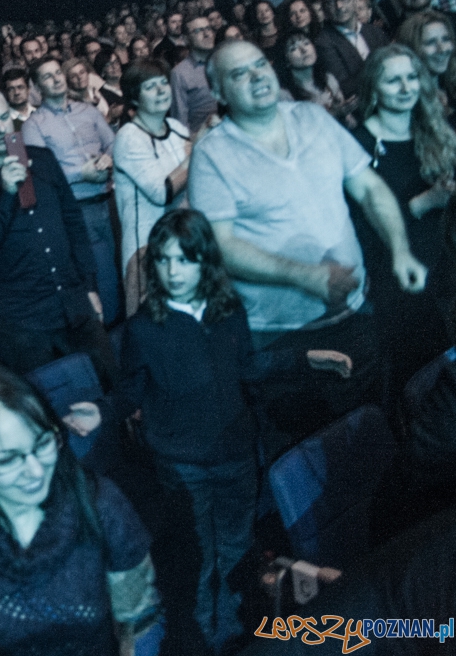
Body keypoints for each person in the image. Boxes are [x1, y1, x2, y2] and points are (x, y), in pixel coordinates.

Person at [114, 210, 350, 653]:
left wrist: (307, 358)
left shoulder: (227, 309)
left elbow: (249, 367)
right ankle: (206, 639)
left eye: (184, 260)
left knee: (239, 552)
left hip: (236, 453)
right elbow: (129, 394)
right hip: (183, 466)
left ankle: (244, 634)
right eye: (163, 261)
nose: (172, 271)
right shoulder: (144, 328)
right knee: (199, 560)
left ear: (205, 261)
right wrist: (100, 413)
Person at [188, 40, 427, 454]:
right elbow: (221, 247)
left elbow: (369, 189)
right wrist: (306, 277)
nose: (257, 75)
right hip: (284, 341)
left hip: (355, 311)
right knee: (317, 455)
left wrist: (400, 248)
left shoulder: (312, 118)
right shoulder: (212, 155)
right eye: (239, 74)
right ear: (220, 93)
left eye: (260, 64)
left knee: (379, 431)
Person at [0, 364, 163, 656]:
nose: (36, 471)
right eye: (8, 460)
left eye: (43, 444)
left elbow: (140, 618)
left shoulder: (100, 505)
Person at [0, 86, 117, 380]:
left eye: (4, 118)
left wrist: (89, 286)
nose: (1, 128)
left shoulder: (41, 158)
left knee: (106, 384)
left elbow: (73, 224)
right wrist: (5, 194)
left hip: (72, 300)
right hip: (22, 319)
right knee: (47, 404)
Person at [351, 44, 455, 392]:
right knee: (420, 384)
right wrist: (423, 203)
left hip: (443, 268)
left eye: (412, 77)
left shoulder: (433, 129)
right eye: (393, 81)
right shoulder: (359, 144)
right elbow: (361, 227)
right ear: (373, 88)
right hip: (398, 283)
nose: (406, 87)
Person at [22, 56, 121, 325]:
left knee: (122, 268)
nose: (56, 79)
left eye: (58, 73)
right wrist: (81, 174)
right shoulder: (33, 126)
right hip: (78, 210)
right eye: (47, 76)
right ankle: (107, 338)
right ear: (37, 86)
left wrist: (108, 158)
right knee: (97, 278)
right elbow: (38, 178)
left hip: (111, 201)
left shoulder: (88, 111)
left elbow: (113, 143)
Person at [112, 60, 193, 317]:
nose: (161, 91)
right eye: (150, 87)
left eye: (163, 83)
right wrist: (196, 154)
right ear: (135, 98)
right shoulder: (128, 136)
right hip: (146, 249)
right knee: (152, 328)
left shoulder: (179, 129)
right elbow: (162, 193)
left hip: (184, 240)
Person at [315, 0, 391, 98]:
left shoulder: (374, 31)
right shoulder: (323, 42)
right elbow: (345, 87)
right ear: (324, 8)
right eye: (331, 2)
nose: (339, 6)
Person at [276, 31, 354, 124]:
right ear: (286, 59)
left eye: (306, 43)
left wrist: (347, 112)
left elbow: (351, 123)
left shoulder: (328, 79)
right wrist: (333, 114)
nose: (303, 50)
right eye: (294, 48)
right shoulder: (284, 94)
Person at [169, 15, 219, 133]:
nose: (206, 34)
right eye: (198, 31)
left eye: (208, 28)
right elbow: (180, 123)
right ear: (186, 39)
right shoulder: (180, 73)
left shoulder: (224, 62)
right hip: (202, 142)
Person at [397, 9, 456, 109]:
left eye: (446, 39)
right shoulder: (408, 97)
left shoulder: (450, 84)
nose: (442, 49)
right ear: (412, 48)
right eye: (431, 42)